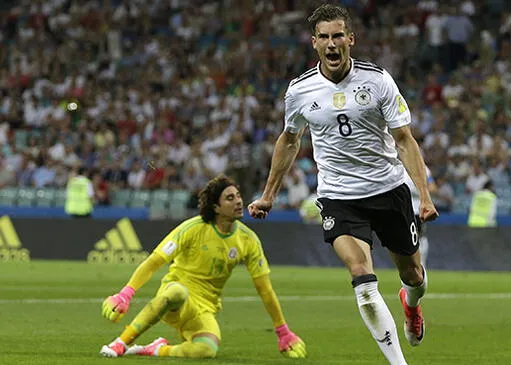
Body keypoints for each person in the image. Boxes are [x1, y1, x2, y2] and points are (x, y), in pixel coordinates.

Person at [248, 5, 438, 365]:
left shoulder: (378, 80)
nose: (332, 44)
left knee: (413, 276)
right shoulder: (300, 90)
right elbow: (290, 140)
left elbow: (404, 139)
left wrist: (424, 196)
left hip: (388, 190)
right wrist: (269, 194)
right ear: (314, 43)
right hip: (339, 197)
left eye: (338, 36)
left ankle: (411, 305)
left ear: (350, 39)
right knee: (361, 278)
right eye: (324, 37)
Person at [99, 175, 306, 359]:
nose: (239, 201)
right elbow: (155, 261)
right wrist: (126, 294)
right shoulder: (193, 228)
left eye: (238, 195)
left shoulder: (248, 240)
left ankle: (156, 349)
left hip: (204, 309)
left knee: (206, 350)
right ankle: (121, 342)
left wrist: (283, 331)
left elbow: (265, 289)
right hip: (173, 297)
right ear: (216, 207)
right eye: (230, 198)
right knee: (178, 292)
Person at [405, 166, 437, 267]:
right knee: (406, 238)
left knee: (420, 236)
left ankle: (422, 263)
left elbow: (432, 187)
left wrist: (419, 190)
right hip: (403, 209)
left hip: (418, 209)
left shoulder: (423, 168)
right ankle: (410, 264)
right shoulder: (397, 166)